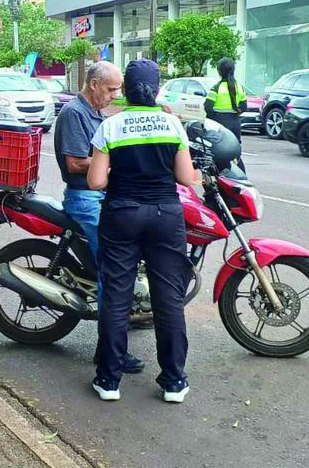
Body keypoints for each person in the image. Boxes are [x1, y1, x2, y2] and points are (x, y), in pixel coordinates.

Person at [87, 59, 197, 403]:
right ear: (157, 88)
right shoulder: (172, 124)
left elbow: (95, 181)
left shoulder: (111, 126)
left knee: (117, 298)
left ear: (127, 90)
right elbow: (186, 178)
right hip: (166, 215)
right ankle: (174, 382)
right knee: (169, 301)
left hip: (122, 214)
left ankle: (108, 381)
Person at [53, 61, 147, 372]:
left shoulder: (93, 113)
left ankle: (122, 318)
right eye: (110, 90)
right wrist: (114, 162)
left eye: (118, 90)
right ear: (93, 84)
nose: (114, 96)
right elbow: (76, 164)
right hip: (84, 200)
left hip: (101, 195)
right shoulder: (74, 114)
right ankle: (108, 350)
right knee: (114, 268)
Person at [206, 58, 246, 171]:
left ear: (219, 72)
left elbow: (207, 107)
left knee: (217, 153)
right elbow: (243, 107)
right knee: (236, 154)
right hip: (235, 123)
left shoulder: (216, 88)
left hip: (220, 124)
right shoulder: (240, 87)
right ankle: (242, 177)